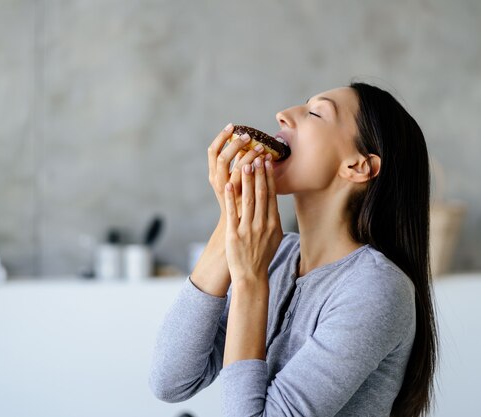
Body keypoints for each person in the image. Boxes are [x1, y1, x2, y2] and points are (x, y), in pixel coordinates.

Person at [149, 82, 437, 417]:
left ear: (358, 167)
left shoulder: (377, 288)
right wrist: (231, 220)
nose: (283, 116)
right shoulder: (275, 255)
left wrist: (250, 282)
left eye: (316, 113)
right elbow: (170, 381)